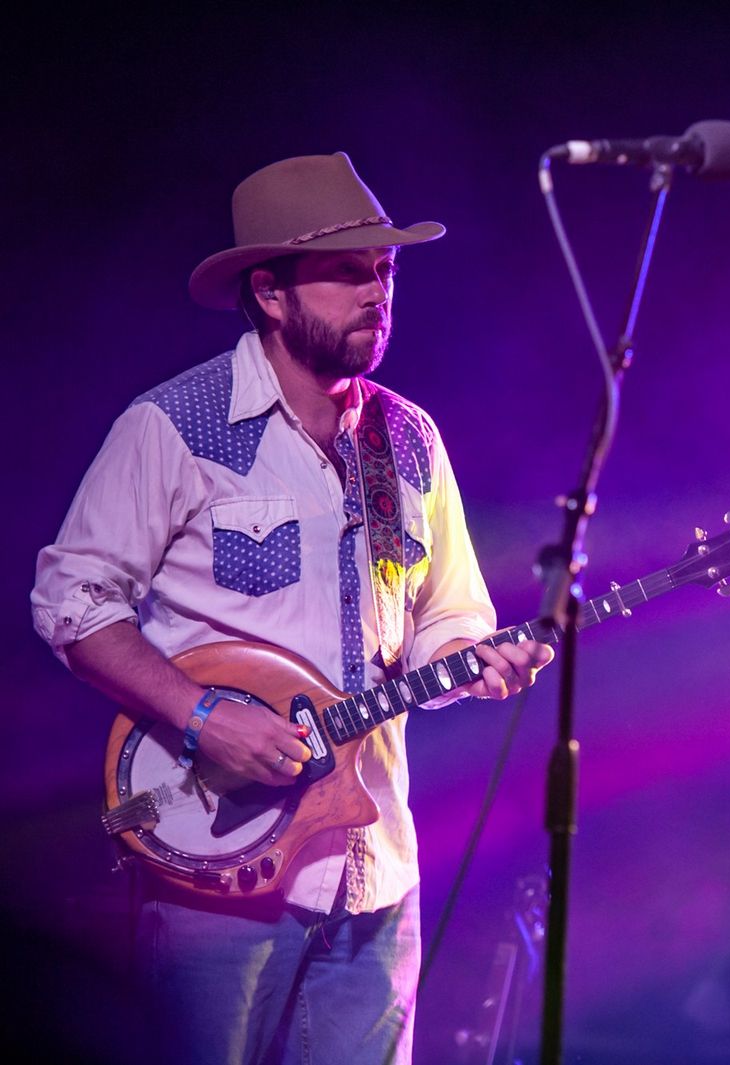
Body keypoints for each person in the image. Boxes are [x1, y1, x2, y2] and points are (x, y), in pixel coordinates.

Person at [31, 151, 553, 1064]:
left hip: (375, 874)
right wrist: (203, 714)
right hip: (216, 874)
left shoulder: (410, 439)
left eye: (385, 269)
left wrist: (476, 662)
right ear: (269, 293)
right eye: (349, 271)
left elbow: (445, 619)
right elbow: (71, 601)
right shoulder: (173, 425)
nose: (377, 292)